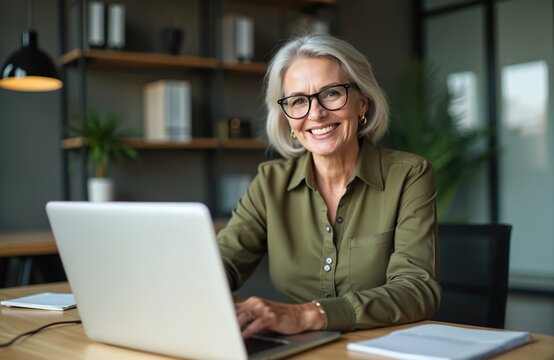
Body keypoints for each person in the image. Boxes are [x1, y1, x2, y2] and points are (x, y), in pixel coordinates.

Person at [217, 34, 441, 338]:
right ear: (286, 118)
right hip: (298, 349)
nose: (316, 113)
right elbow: (224, 262)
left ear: (363, 101)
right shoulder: (270, 183)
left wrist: (306, 315)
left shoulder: (409, 175)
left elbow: (417, 290)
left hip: (379, 349)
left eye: (332, 93)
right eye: (298, 101)